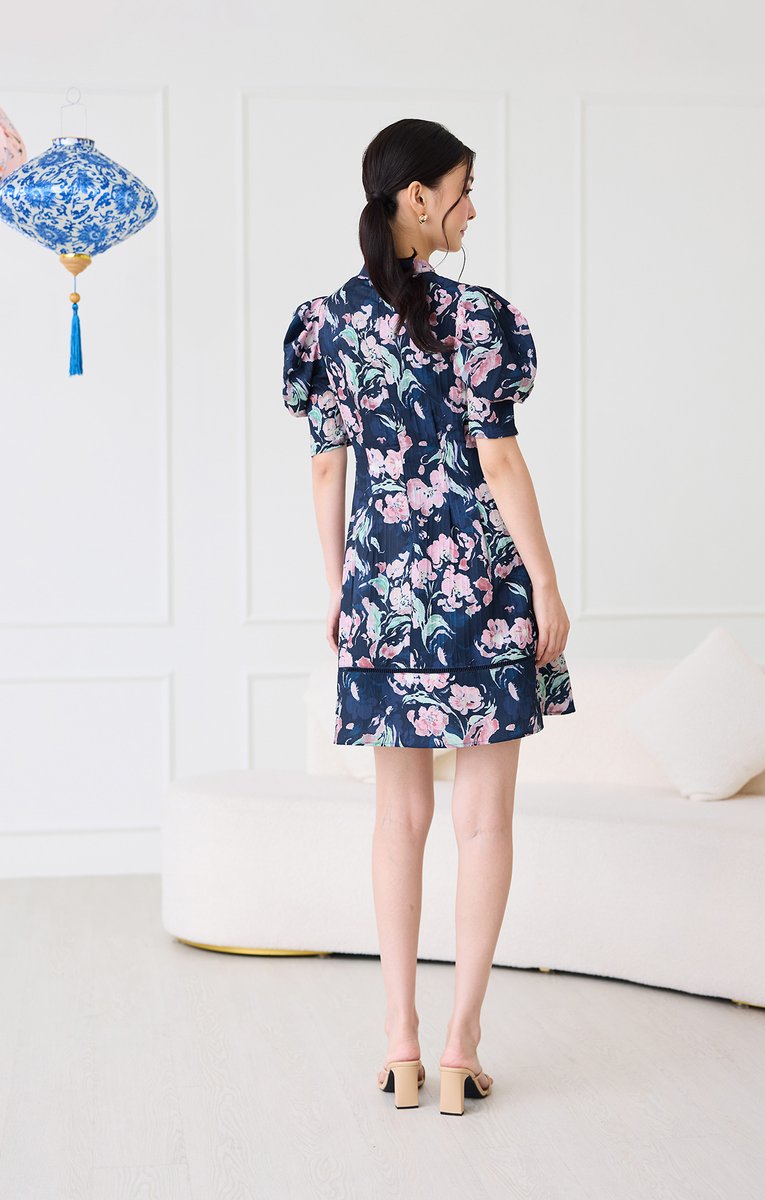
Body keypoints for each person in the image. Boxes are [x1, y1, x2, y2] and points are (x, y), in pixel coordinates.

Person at [282, 118, 576, 1115]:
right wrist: (545, 581)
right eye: (463, 188)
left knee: (396, 820)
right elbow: (500, 458)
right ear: (416, 197)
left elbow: (326, 468)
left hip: (382, 594)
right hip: (483, 591)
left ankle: (400, 1043)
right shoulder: (480, 317)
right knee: (483, 822)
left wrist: (339, 587)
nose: (472, 208)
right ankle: (460, 1048)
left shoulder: (325, 322)